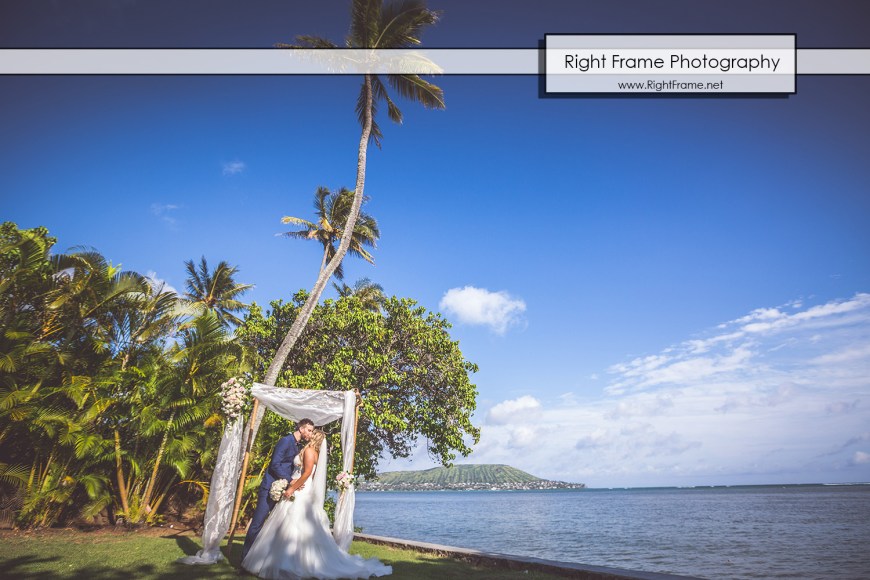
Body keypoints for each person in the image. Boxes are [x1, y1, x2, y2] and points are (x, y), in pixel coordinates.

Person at [242, 429, 392, 579]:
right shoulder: (314, 453)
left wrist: (292, 488)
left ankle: (289, 563)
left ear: (314, 437)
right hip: (303, 488)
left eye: (311, 432)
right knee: (291, 527)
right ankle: (287, 562)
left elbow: (307, 474)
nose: (307, 434)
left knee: (291, 526)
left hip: (300, 490)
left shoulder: (309, 451)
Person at [241, 418, 315, 560]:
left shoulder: (299, 446)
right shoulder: (285, 441)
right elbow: (275, 464)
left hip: (283, 490)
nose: (310, 434)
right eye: (309, 430)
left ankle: (263, 558)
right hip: (270, 487)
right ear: (301, 428)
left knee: (275, 526)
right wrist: (290, 480)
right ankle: (245, 559)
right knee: (257, 523)